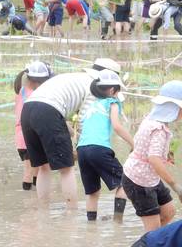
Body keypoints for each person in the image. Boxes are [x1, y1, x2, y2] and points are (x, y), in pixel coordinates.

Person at [21, 59, 122, 209]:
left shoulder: (76, 77)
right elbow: (84, 118)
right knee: (67, 168)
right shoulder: (93, 87)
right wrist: (82, 144)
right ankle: (71, 214)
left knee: (43, 167)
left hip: (28, 110)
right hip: (49, 111)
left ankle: (43, 212)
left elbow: (60, 118)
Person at [122, 81, 182, 233]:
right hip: (139, 182)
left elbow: (146, 147)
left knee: (168, 212)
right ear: (174, 108)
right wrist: (176, 186)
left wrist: (165, 154)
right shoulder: (159, 129)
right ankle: (151, 240)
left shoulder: (151, 119)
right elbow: (153, 159)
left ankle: (156, 241)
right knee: (153, 229)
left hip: (150, 178)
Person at [76, 70, 133, 222]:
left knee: (92, 192)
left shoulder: (91, 106)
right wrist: (134, 143)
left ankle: (91, 224)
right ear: (113, 90)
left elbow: (83, 128)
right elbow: (117, 126)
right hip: (99, 148)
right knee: (124, 184)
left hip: (82, 149)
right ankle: (117, 222)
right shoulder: (112, 102)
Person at [14, 61, 52, 191]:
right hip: (31, 135)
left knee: (33, 168)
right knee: (32, 171)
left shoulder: (21, 91)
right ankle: (31, 201)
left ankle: (33, 196)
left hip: (20, 137)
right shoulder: (38, 94)